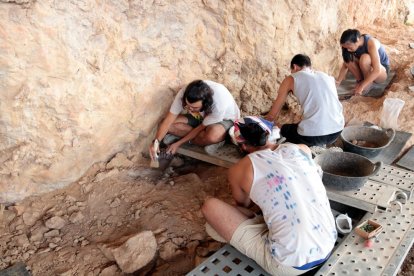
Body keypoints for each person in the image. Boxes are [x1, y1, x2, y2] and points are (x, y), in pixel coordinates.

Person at [202, 121, 337, 275]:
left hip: (289, 265)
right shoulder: (302, 149)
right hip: (328, 244)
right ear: (269, 135)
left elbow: (243, 205)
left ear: (243, 146)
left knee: (211, 214)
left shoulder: (239, 169)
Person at [149, 80, 240, 160]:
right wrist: (156, 142)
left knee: (212, 135)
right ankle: (201, 140)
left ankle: (218, 141)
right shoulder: (185, 93)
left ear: (205, 104)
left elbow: (200, 128)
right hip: (201, 117)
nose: (189, 109)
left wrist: (178, 144)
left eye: (194, 107)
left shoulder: (218, 104)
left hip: (224, 120)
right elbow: (168, 120)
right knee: (167, 124)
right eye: (187, 106)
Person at [265, 54, 344, 147]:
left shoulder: (291, 78)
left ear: (294, 67)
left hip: (314, 137)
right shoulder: (326, 76)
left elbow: (272, 115)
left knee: (280, 127)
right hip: (337, 130)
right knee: (301, 124)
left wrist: (265, 123)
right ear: (309, 66)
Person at [336, 29, 390, 95]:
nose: (348, 50)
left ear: (357, 40)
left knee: (365, 58)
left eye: (349, 47)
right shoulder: (353, 46)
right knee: (348, 60)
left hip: (381, 73)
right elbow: (345, 64)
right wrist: (338, 82)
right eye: (346, 48)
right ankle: (360, 81)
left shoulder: (371, 42)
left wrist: (362, 86)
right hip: (368, 70)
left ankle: (368, 84)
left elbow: (377, 70)